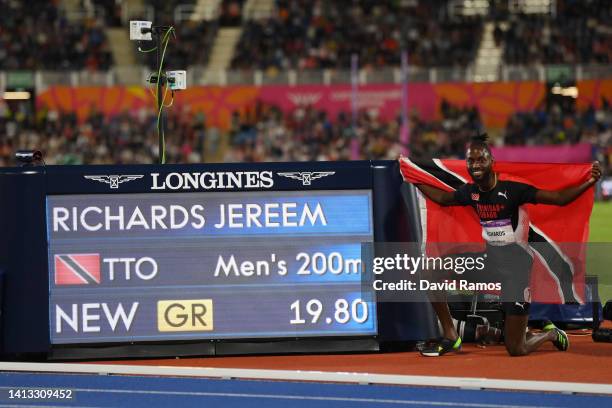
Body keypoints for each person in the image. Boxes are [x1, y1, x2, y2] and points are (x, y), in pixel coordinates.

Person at [410, 134, 602, 356]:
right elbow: (444, 199)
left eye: (480, 160)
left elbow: (558, 198)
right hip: (489, 263)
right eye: (471, 161)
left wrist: (589, 181)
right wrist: (414, 178)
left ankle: (550, 334)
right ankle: (451, 336)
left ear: (491, 162)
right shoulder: (471, 192)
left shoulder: (513, 191)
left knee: (516, 348)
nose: (475, 165)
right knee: (430, 270)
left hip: (516, 274)